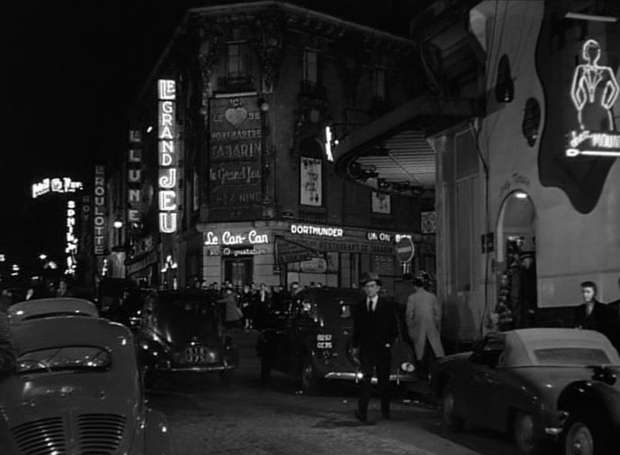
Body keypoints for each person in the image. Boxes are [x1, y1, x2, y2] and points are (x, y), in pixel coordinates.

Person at [351, 272, 398, 423]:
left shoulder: (387, 306)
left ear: (377, 288)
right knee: (365, 380)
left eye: (372, 286)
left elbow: (394, 327)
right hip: (366, 349)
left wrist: (388, 343)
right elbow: (357, 328)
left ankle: (385, 411)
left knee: (384, 381)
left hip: (382, 349)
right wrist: (355, 346)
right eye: (367, 287)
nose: (369, 289)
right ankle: (362, 411)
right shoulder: (360, 307)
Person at [406, 278, 445, 381]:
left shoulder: (412, 298)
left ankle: (422, 373)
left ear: (414, 286)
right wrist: (436, 323)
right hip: (431, 325)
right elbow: (437, 312)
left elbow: (409, 314)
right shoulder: (432, 296)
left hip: (418, 326)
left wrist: (410, 325)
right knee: (435, 349)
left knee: (420, 351)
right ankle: (436, 371)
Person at [574, 281, 620, 354]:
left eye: (588, 292)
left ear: (594, 293)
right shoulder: (579, 310)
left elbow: (612, 331)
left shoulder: (605, 309)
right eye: (583, 292)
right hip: (586, 344)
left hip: (601, 344)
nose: (585, 295)